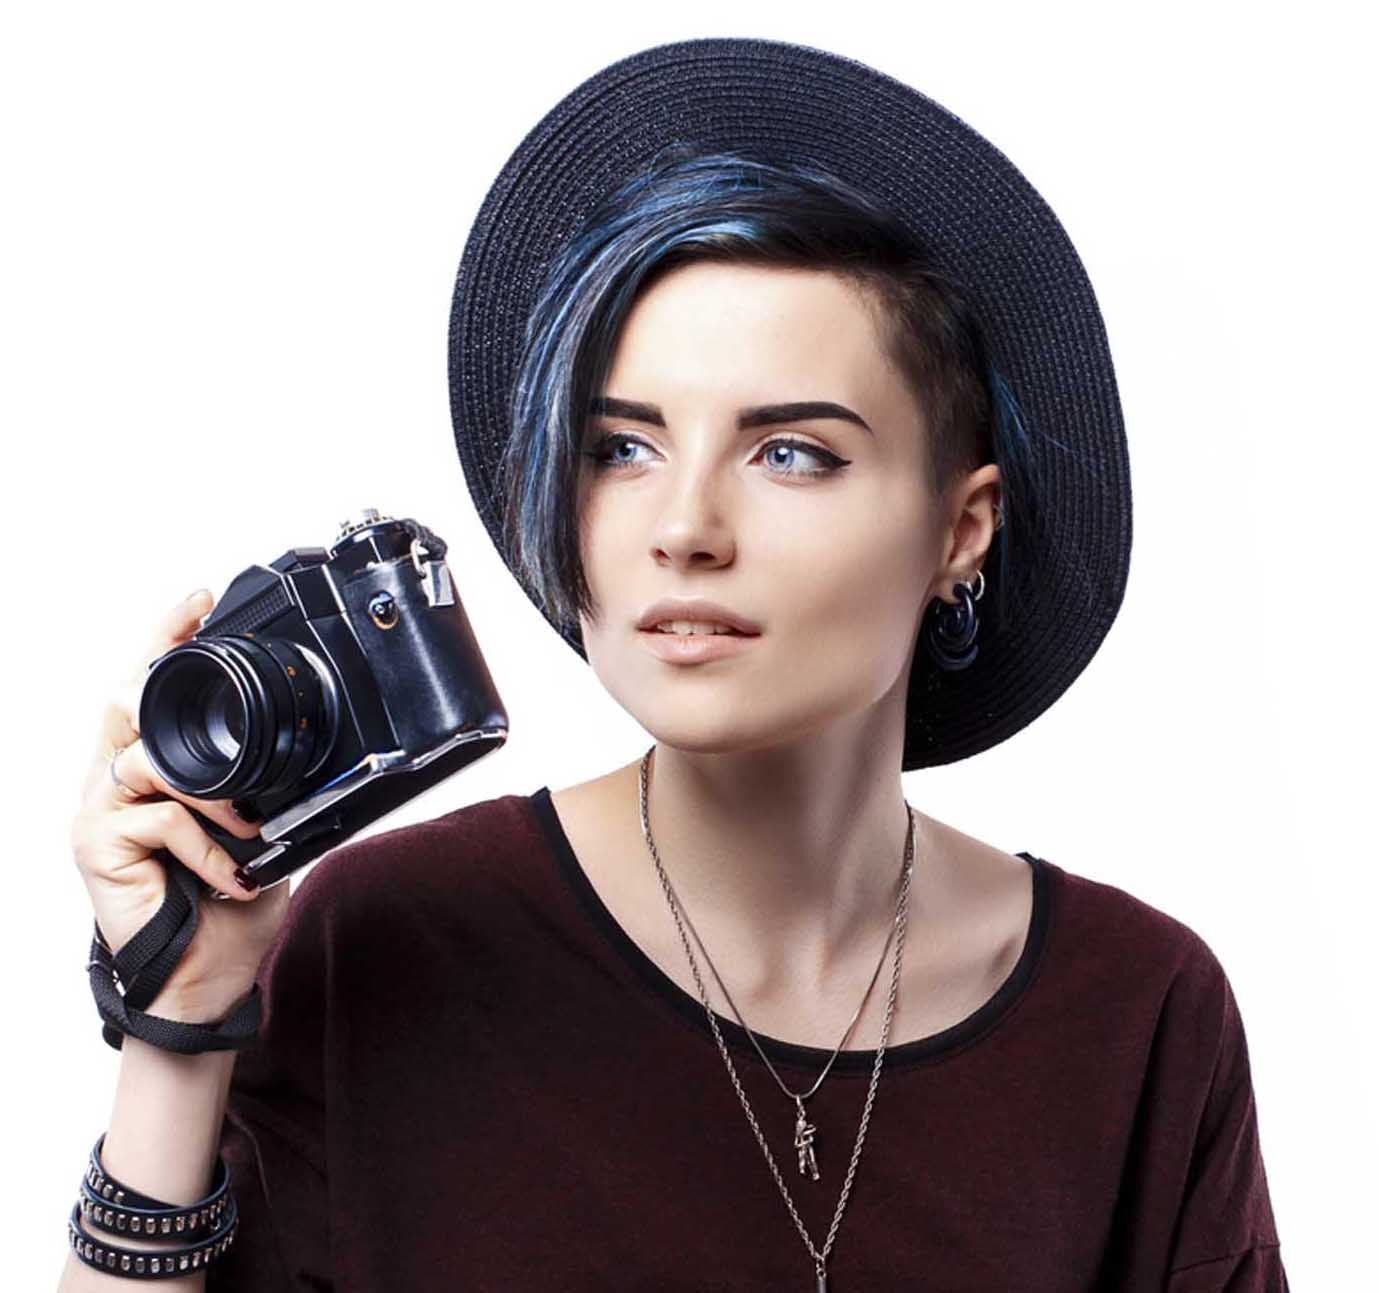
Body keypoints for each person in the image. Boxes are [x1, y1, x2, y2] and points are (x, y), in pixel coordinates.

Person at [59, 37, 1288, 1291]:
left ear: (959, 529)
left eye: (791, 453)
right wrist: (179, 1020)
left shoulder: (1136, 1016)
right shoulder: (384, 942)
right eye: (622, 450)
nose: (682, 527)